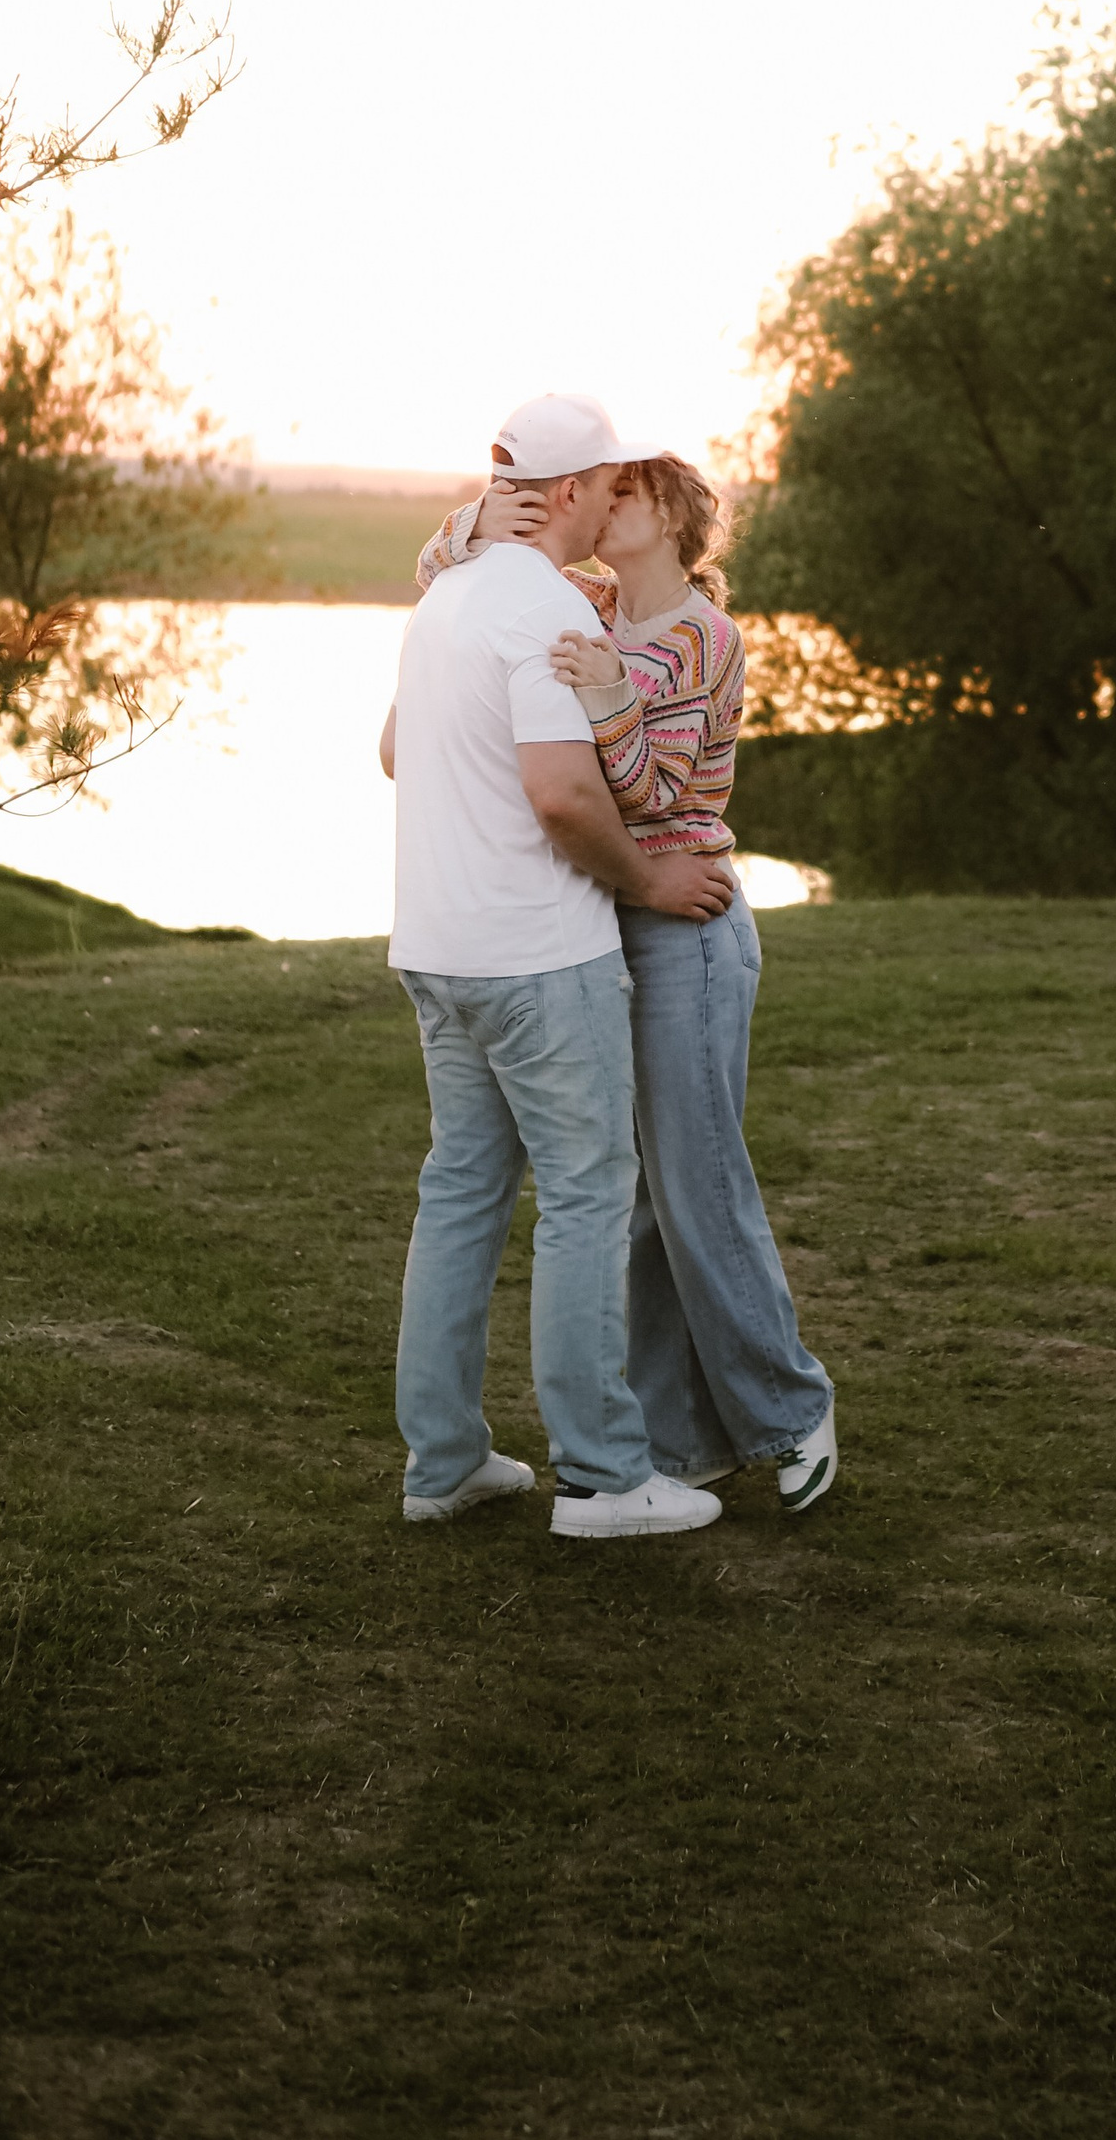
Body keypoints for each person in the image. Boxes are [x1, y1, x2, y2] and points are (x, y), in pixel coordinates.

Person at [417, 449, 837, 1514]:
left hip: (685, 920)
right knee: (645, 1198)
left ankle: (792, 1411)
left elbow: (648, 785)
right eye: (608, 490)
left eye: (631, 492)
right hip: (617, 915)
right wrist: (481, 515)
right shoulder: (588, 598)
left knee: (697, 1181)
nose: (610, 504)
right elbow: (439, 570)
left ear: (677, 517)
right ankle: (675, 1433)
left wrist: (603, 693)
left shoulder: (705, 633)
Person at [380, 390, 736, 1541]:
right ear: (572, 491)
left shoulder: (448, 597)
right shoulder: (537, 606)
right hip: (537, 953)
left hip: (435, 946)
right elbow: (561, 791)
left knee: (460, 1193)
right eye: (606, 481)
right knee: (588, 1195)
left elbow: (395, 749)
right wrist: (648, 881)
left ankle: (442, 1461)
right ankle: (602, 1475)